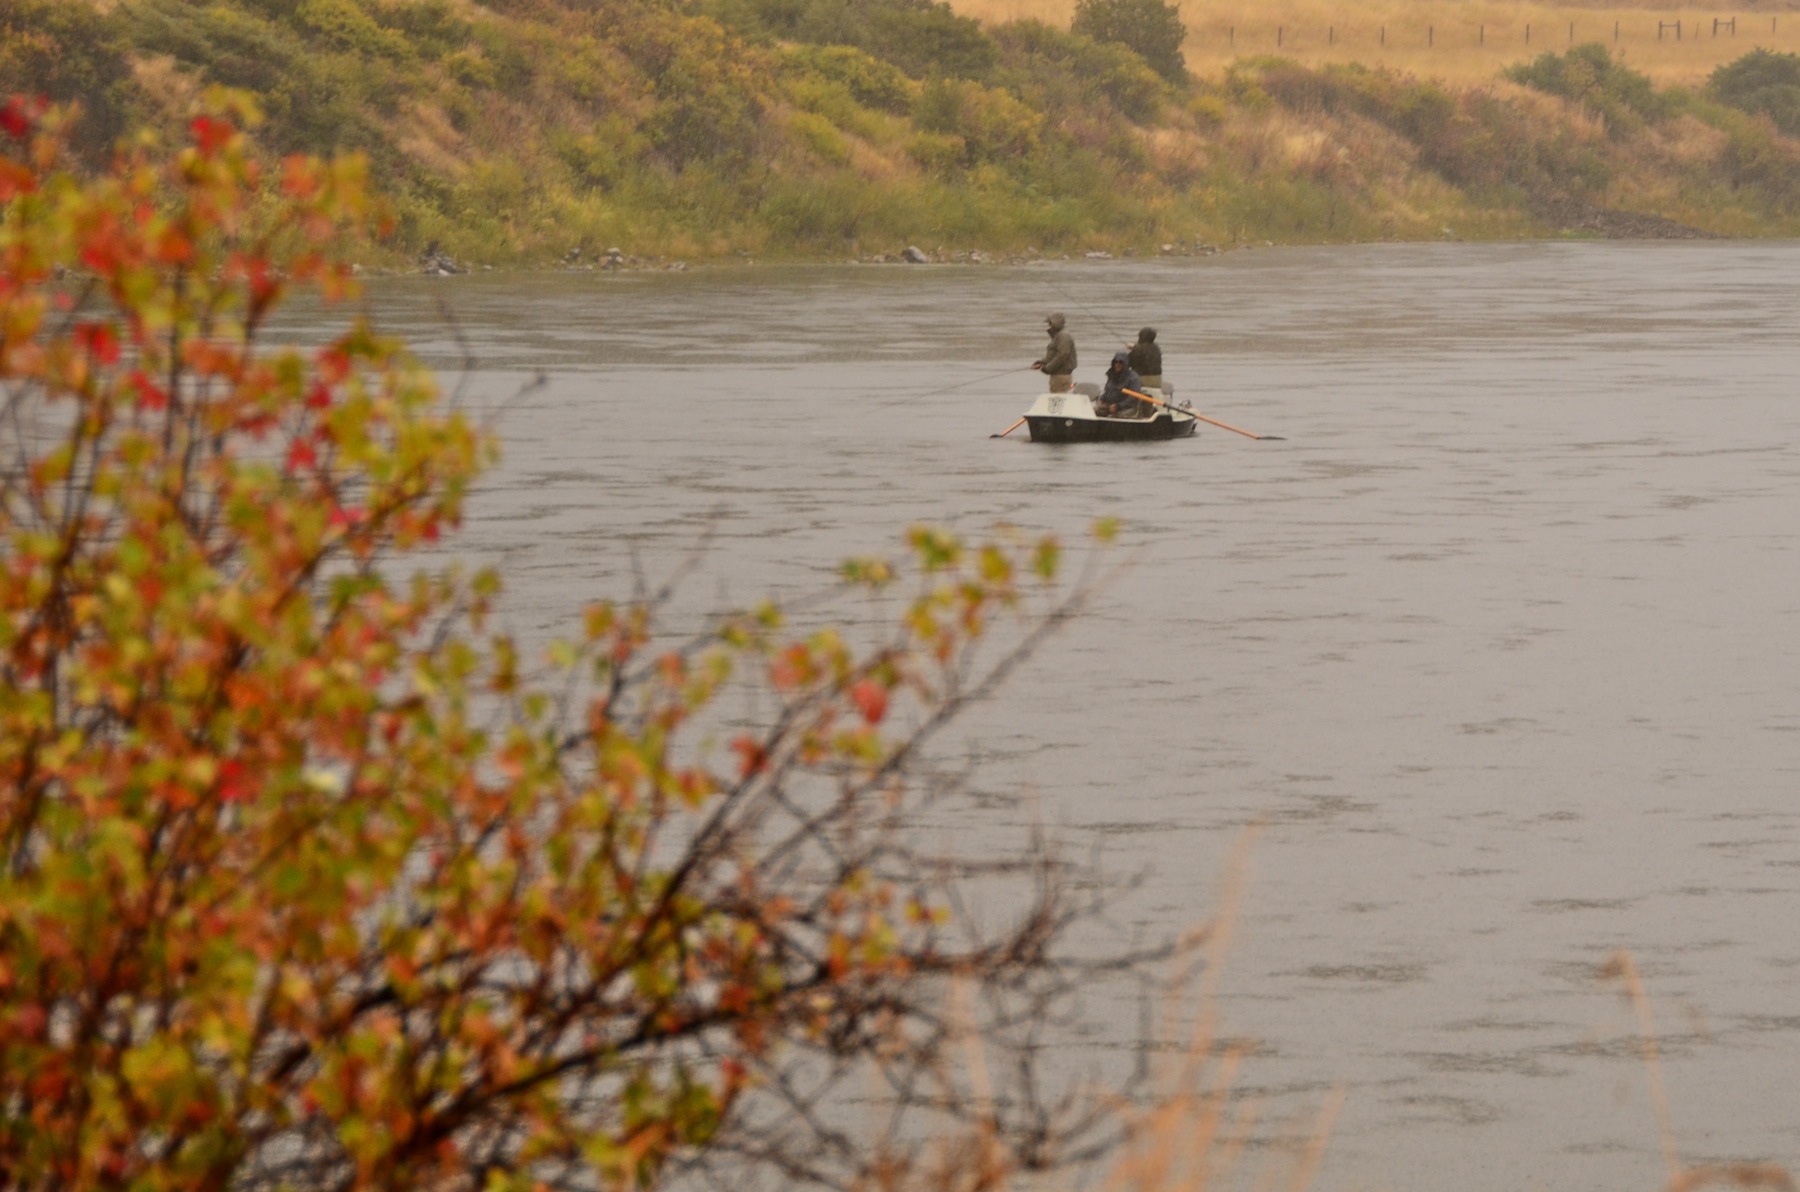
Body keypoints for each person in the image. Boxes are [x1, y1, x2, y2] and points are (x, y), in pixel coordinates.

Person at [1031, 312, 1076, 393]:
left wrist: (1048, 368)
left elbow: (1062, 355)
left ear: (1056, 323)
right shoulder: (1059, 336)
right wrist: (1042, 362)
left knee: (1060, 399)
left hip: (1061, 376)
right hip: (1057, 376)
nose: (1049, 326)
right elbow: (1053, 355)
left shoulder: (1063, 336)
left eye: (1050, 323)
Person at [1096, 351, 1145, 418]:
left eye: (1120, 362)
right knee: (1094, 411)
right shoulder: (1111, 375)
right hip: (1111, 405)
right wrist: (1102, 398)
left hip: (1128, 407)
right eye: (1115, 362)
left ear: (1125, 364)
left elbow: (1133, 398)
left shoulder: (1133, 378)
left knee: (1112, 417)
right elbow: (1107, 390)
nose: (1117, 364)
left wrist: (1119, 406)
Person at [1127, 327, 1162, 392]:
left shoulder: (1137, 349)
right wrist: (1135, 347)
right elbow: (1146, 350)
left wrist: (1133, 350)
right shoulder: (1157, 348)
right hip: (1157, 380)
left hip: (1142, 379)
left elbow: (1127, 363)